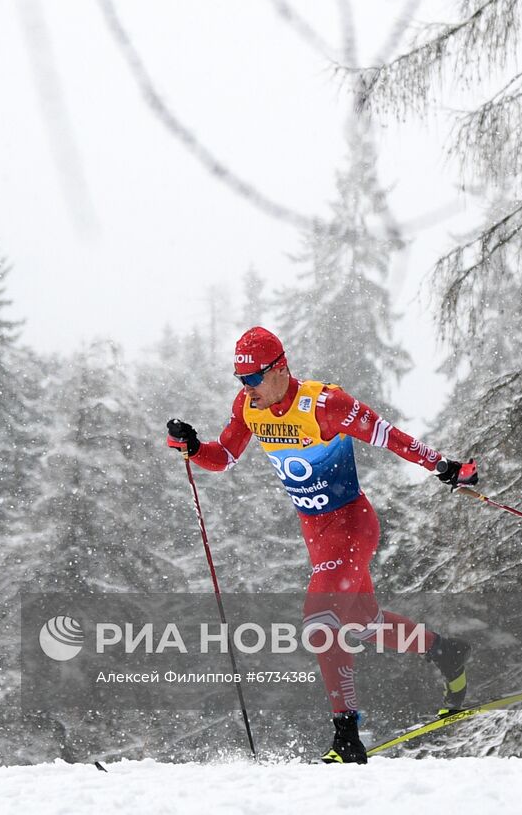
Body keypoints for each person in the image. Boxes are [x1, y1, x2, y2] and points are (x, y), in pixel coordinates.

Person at [166, 326, 479, 764]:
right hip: (315, 533)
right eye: (240, 380)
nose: (247, 389)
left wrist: (446, 467)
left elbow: (390, 436)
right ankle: (444, 651)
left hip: (351, 526)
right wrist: (194, 446)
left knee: (321, 621)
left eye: (254, 378)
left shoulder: (326, 405)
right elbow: (225, 457)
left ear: (280, 369)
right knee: (365, 624)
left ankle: (347, 734)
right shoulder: (248, 407)